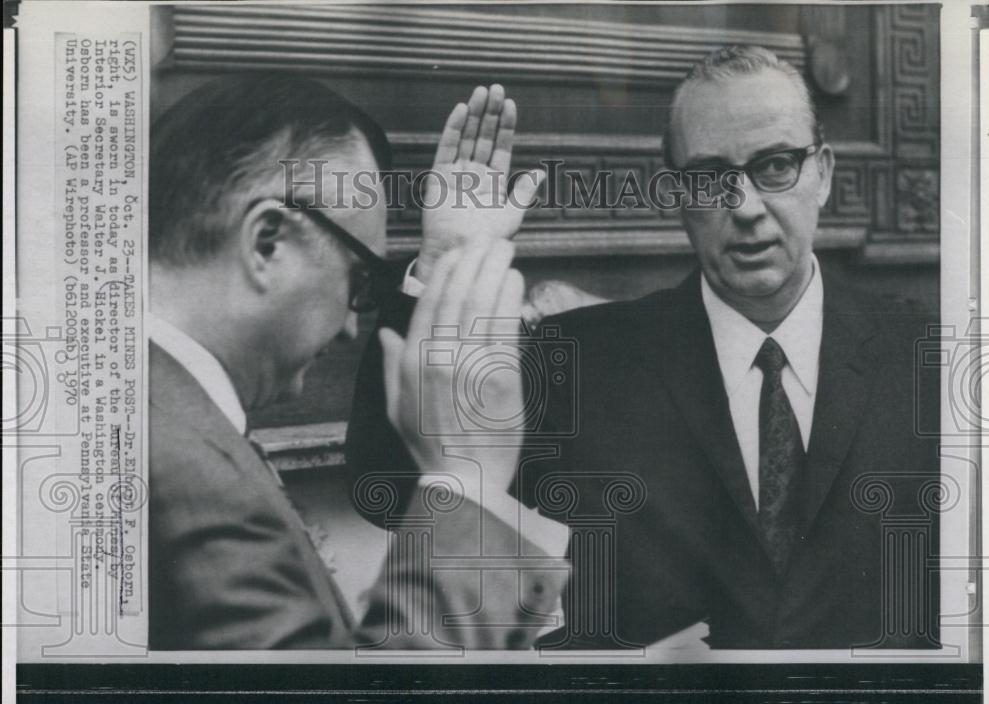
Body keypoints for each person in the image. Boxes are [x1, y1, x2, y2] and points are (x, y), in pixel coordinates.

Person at [347, 45, 940, 650]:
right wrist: (449, 261)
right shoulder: (587, 360)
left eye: (776, 165)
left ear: (824, 173)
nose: (747, 208)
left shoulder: (926, 357)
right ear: (677, 195)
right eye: (710, 179)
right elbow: (389, 482)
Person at [148, 74, 567, 649]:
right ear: (267, 242)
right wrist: (469, 482)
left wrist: (448, 261)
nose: (350, 328)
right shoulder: (189, 478)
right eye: (357, 280)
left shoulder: (149, 408)